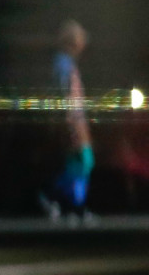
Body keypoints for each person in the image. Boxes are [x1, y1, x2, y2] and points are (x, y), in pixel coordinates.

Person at [39, 19, 95, 221]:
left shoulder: (66, 63)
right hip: (72, 125)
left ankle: (69, 204)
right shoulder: (63, 65)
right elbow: (66, 99)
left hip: (74, 123)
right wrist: (73, 127)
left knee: (78, 165)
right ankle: (58, 200)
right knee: (82, 163)